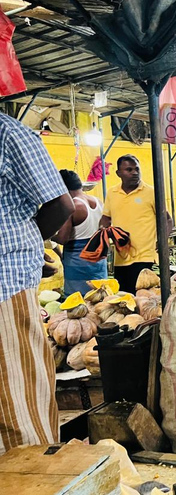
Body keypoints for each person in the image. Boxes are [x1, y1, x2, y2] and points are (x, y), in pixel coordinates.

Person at [0, 113, 75, 454]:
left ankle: (32, 473)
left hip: (5, 279)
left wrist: (30, 243)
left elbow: (61, 204)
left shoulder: (7, 133)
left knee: (17, 391)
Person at [100, 155, 173, 294]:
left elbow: (167, 220)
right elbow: (106, 218)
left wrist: (162, 241)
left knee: (144, 298)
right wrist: (102, 234)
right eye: (129, 169)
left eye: (137, 169)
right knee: (124, 299)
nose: (134, 173)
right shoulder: (112, 193)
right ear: (118, 173)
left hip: (145, 256)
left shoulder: (151, 192)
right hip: (121, 257)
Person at [53, 169, 108, 295]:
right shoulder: (98, 201)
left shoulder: (73, 206)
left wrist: (48, 236)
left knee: (78, 304)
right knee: (99, 298)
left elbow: (62, 238)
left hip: (78, 264)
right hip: (98, 261)